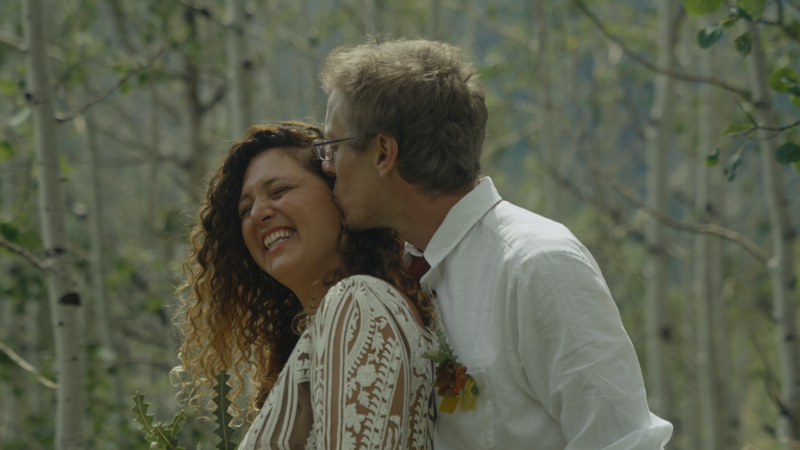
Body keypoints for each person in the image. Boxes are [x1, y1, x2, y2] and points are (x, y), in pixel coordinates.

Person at [318, 38, 674, 449]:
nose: (326, 166)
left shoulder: (537, 263)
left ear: (383, 153)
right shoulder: (401, 272)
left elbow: (624, 441)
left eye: (332, 146)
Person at [173, 122, 435, 450]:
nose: (257, 214)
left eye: (279, 191)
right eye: (245, 209)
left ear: (340, 198)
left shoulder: (358, 302)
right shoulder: (324, 328)